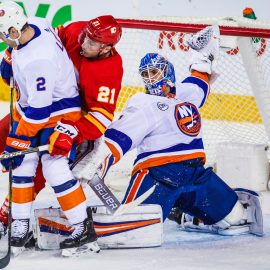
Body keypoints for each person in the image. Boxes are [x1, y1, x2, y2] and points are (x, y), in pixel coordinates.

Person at [73, 25, 263, 237]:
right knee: (129, 230)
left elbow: (200, 79)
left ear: (168, 71)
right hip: (158, 176)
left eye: (154, 72)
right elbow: (118, 139)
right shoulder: (143, 103)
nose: (150, 78)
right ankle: (76, 223)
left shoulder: (186, 92)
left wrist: (201, 53)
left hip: (195, 174)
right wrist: (96, 162)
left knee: (236, 219)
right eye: (145, 74)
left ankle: (187, 212)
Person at [0, 12, 123, 239]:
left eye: (92, 43)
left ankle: (9, 216)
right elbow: (40, 39)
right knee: (6, 142)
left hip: (69, 119)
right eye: (85, 36)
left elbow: (101, 116)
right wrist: (12, 51)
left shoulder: (110, 69)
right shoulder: (77, 30)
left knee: (40, 167)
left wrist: (73, 132)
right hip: (37, 106)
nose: (83, 43)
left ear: (106, 48)